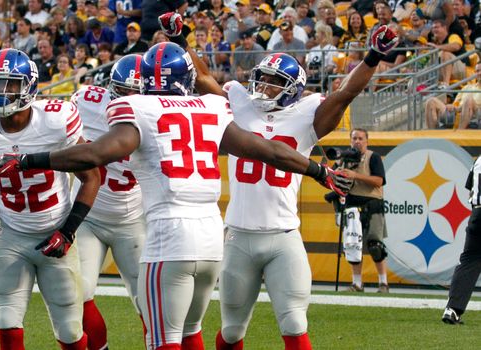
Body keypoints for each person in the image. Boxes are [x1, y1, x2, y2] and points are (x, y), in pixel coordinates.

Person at [0, 42, 351, 350]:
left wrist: (27, 159)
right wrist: (320, 171)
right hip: (211, 240)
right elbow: (268, 151)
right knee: (193, 331)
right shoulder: (211, 108)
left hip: (168, 237)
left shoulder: (140, 108)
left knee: (165, 339)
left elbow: (94, 155)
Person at [155, 12, 398, 350]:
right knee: (231, 332)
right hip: (239, 236)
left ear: (292, 89)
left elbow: (344, 93)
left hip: (284, 236)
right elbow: (203, 77)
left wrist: (372, 56)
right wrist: (181, 38)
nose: (262, 86)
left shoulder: (307, 115)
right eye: (262, 77)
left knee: (296, 323)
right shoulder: (238, 102)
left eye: (272, 81)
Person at [0, 48, 100, 350]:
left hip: (56, 229)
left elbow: (92, 176)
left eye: (9, 84)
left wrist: (67, 231)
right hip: (10, 234)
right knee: (6, 319)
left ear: (29, 87)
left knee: (70, 331)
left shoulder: (55, 121)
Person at [68, 53, 146, 350]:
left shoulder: (157, 115)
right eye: (122, 90)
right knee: (78, 295)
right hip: (90, 216)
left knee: (150, 304)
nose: (127, 98)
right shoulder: (85, 100)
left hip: (133, 220)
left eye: (135, 92)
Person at [338, 128, 390, 293]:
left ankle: (383, 283)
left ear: (366, 141)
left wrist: (355, 175)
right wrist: (336, 175)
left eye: (360, 138)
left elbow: (379, 181)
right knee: (353, 245)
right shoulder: (344, 159)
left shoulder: (373, 157)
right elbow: (333, 177)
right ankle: (357, 283)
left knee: (375, 244)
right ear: (350, 141)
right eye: (354, 138)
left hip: (372, 204)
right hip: (352, 205)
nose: (357, 141)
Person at [442, 155, 481, 325]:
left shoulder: (479, 160)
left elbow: (470, 186)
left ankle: (452, 309)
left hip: (477, 214)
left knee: (468, 261)